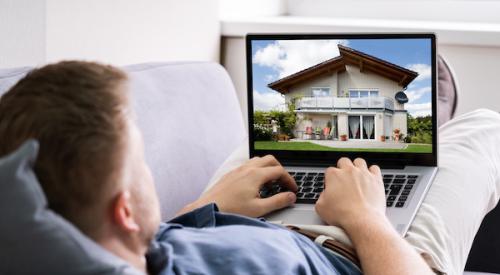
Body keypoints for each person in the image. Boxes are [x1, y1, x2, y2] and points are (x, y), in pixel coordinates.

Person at [0, 61, 499, 275]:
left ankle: (410, 124)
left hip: (232, 219)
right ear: (125, 211)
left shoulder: (126, 246)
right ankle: (419, 122)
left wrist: (205, 207)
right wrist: (366, 216)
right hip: (372, 251)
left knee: (269, 148)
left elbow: (149, 251)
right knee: (487, 128)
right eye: (141, 164)